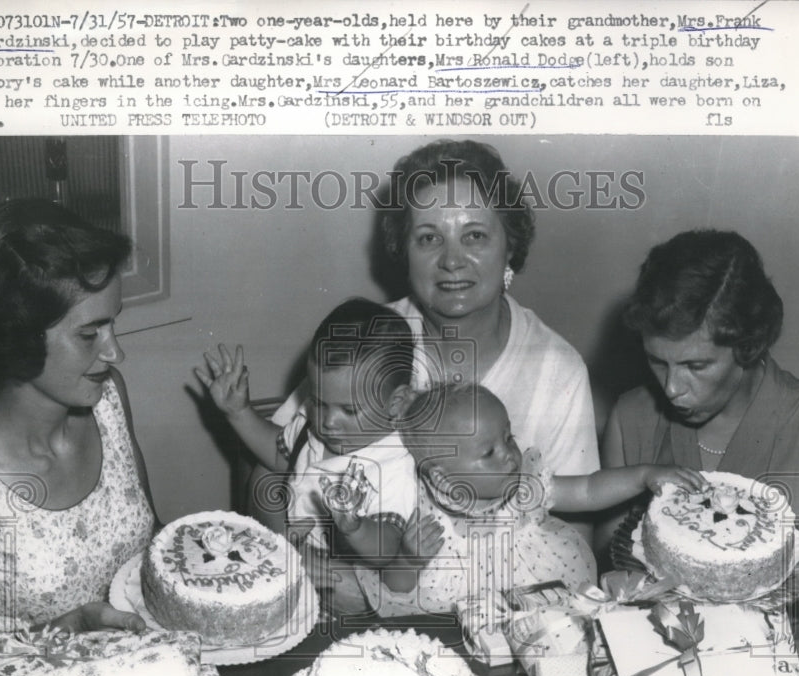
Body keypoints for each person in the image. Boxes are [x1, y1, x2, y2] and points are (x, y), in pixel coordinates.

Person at [252, 139, 600, 545]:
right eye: (429, 238)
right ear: (405, 251)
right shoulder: (367, 341)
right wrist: (311, 571)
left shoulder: (557, 369)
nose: (452, 261)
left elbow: (575, 536)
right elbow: (275, 471)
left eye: (474, 236)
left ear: (510, 248)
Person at [0, 199, 157, 676]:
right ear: (17, 336)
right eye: (89, 333)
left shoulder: (109, 398)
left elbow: (150, 540)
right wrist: (62, 631)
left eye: (113, 323)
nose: (115, 351)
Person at [346, 383, 702, 618]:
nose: (509, 455)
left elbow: (589, 490)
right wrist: (408, 559)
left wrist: (642, 475)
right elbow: (396, 586)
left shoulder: (524, 487)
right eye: (489, 452)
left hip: (541, 612)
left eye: (508, 437)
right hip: (460, 628)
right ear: (441, 476)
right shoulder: (419, 507)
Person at [195, 298, 433, 610]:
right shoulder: (315, 426)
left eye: (349, 410)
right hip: (293, 564)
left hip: (349, 595)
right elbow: (281, 456)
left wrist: (357, 529)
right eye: (319, 402)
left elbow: (388, 547)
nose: (328, 421)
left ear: (397, 402)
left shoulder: (393, 464)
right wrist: (238, 413)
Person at [598, 229, 799, 565]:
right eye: (656, 361)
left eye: (695, 365)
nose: (671, 388)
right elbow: (615, 557)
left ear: (748, 345)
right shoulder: (631, 419)